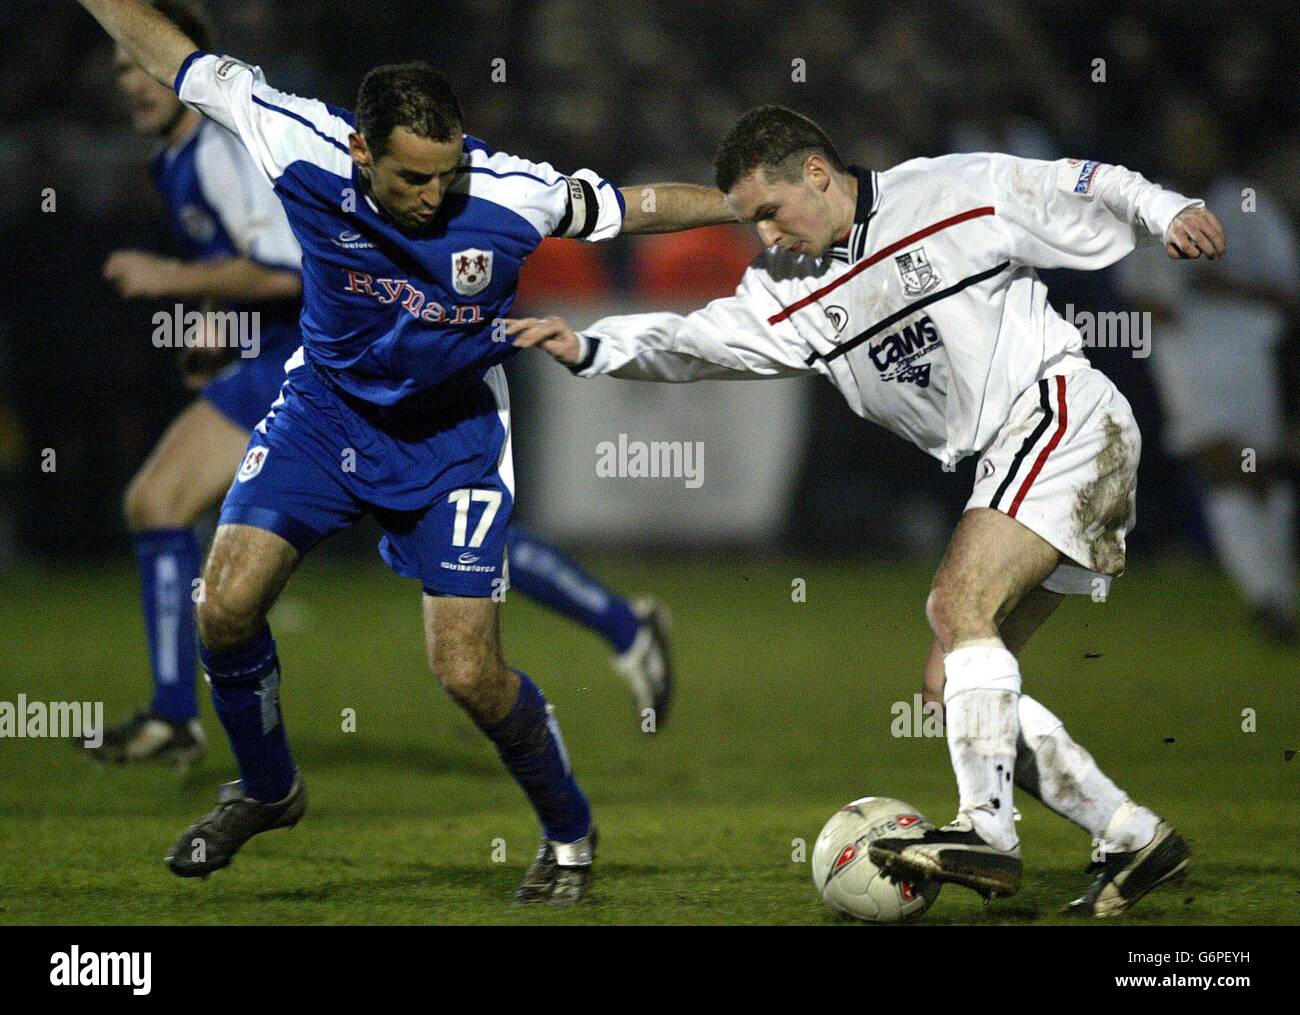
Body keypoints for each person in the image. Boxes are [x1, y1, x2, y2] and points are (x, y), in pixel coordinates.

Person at [76, 0, 732, 904]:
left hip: (453, 436)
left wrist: (742, 202)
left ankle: (569, 832)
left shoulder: (510, 194)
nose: (437, 196)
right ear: (361, 154)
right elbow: (174, 56)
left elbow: (634, 206)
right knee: (223, 607)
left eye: (449, 173)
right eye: (416, 179)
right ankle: (268, 789)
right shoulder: (295, 138)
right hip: (325, 414)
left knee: (466, 671)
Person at [508, 105, 1225, 916]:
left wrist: (1168, 209)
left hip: (1063, 415)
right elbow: (700, 341)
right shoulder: (789, 285)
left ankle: (987, 831)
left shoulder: (947, 191)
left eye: (770, 212)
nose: (767, 236)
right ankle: (1132, 834)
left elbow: (1074, 180)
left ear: (817, 173)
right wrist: (592, 346)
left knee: (957, 604)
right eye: (750, 223)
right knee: (948, 675)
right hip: (1013, 458)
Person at [1119, 98, 1298, 646]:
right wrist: (1155, 306)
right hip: (1187, 361)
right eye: (1179, 135)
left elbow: (1289, 291)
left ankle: (1277, 590)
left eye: (1197, 134)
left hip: (1247, 354)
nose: (1187, 146)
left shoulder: (1250, 205)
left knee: (1258, 473)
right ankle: (1266, 598)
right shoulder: (1151, 206)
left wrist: (1229, 286)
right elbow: (1133, 294)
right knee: (1217, 465)